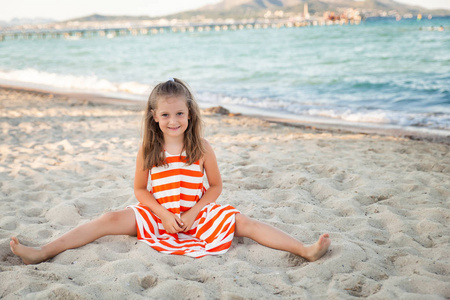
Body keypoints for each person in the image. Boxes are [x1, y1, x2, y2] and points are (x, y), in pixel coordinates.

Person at [10, 78, 330, 264]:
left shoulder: (201, 147)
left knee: (243, 222)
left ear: (189, 112)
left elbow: (216, 187)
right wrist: (162, 213)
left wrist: (193, 213)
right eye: (166, 114)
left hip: (198, 213)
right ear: (154, 116)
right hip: (158, 214)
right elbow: (139, 190)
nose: (173, 120)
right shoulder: (149, 149)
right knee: (107, 219)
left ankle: (304, 249)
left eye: (179, 113)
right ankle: (43, 251)